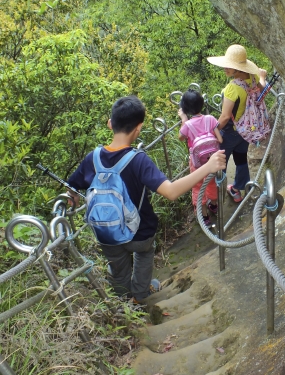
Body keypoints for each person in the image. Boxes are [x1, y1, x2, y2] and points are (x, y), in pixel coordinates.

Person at [67, 95, 225, 309]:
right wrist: (208, 167)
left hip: (106, 233)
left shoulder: (92, 158)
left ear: (110, 124)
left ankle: (124, 302)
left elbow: (73, 186)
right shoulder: (138, 159)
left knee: (118, 267)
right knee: (143, 255)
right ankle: (139, 295)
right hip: (139, 231)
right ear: (138, 128)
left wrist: (73, 197)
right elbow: (169, 191)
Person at [207, 45, 266, 203]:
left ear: (238, 68)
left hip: (231, 131)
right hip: (246, 130)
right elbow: (263, 89)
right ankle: (238, 189)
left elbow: (225, 116)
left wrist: (212, 130)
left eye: (230, 66)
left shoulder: (232, 88)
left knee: (221, 161)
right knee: (240, 159)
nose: (226, 68)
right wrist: (262, 76)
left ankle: (215, 194)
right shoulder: (252, 78)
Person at [178, 89, 223, 227]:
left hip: (196, 162)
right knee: (211, 181)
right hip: (212, 158)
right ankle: (214, 205)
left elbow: (181, 138)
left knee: (197, 185)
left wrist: (184, 120)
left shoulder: (188, 125)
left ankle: (204, 215)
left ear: (185, 109)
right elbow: (219, 139)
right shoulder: (210, 119)